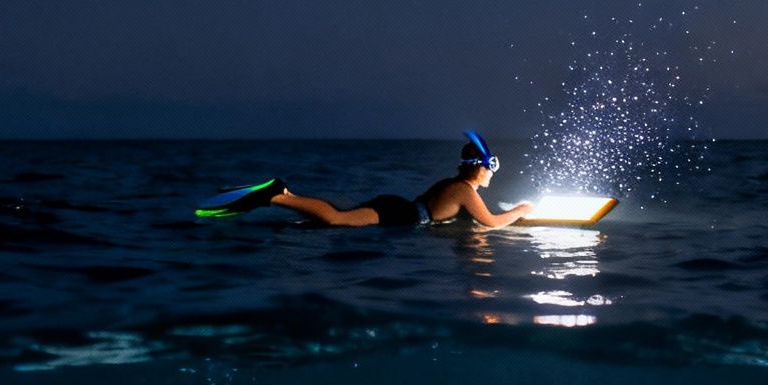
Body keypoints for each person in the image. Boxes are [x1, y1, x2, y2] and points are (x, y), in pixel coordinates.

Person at [208, 133, 533, 228]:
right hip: (401, 215)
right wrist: (519, 209)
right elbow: (490, 222)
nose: (493, 172)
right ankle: (277, 195)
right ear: (479, 167)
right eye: (492, 165)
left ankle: (287, 195)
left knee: (338, 216)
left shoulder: (456, 185)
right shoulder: (464, 190)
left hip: (399, 208)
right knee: (337, 220)